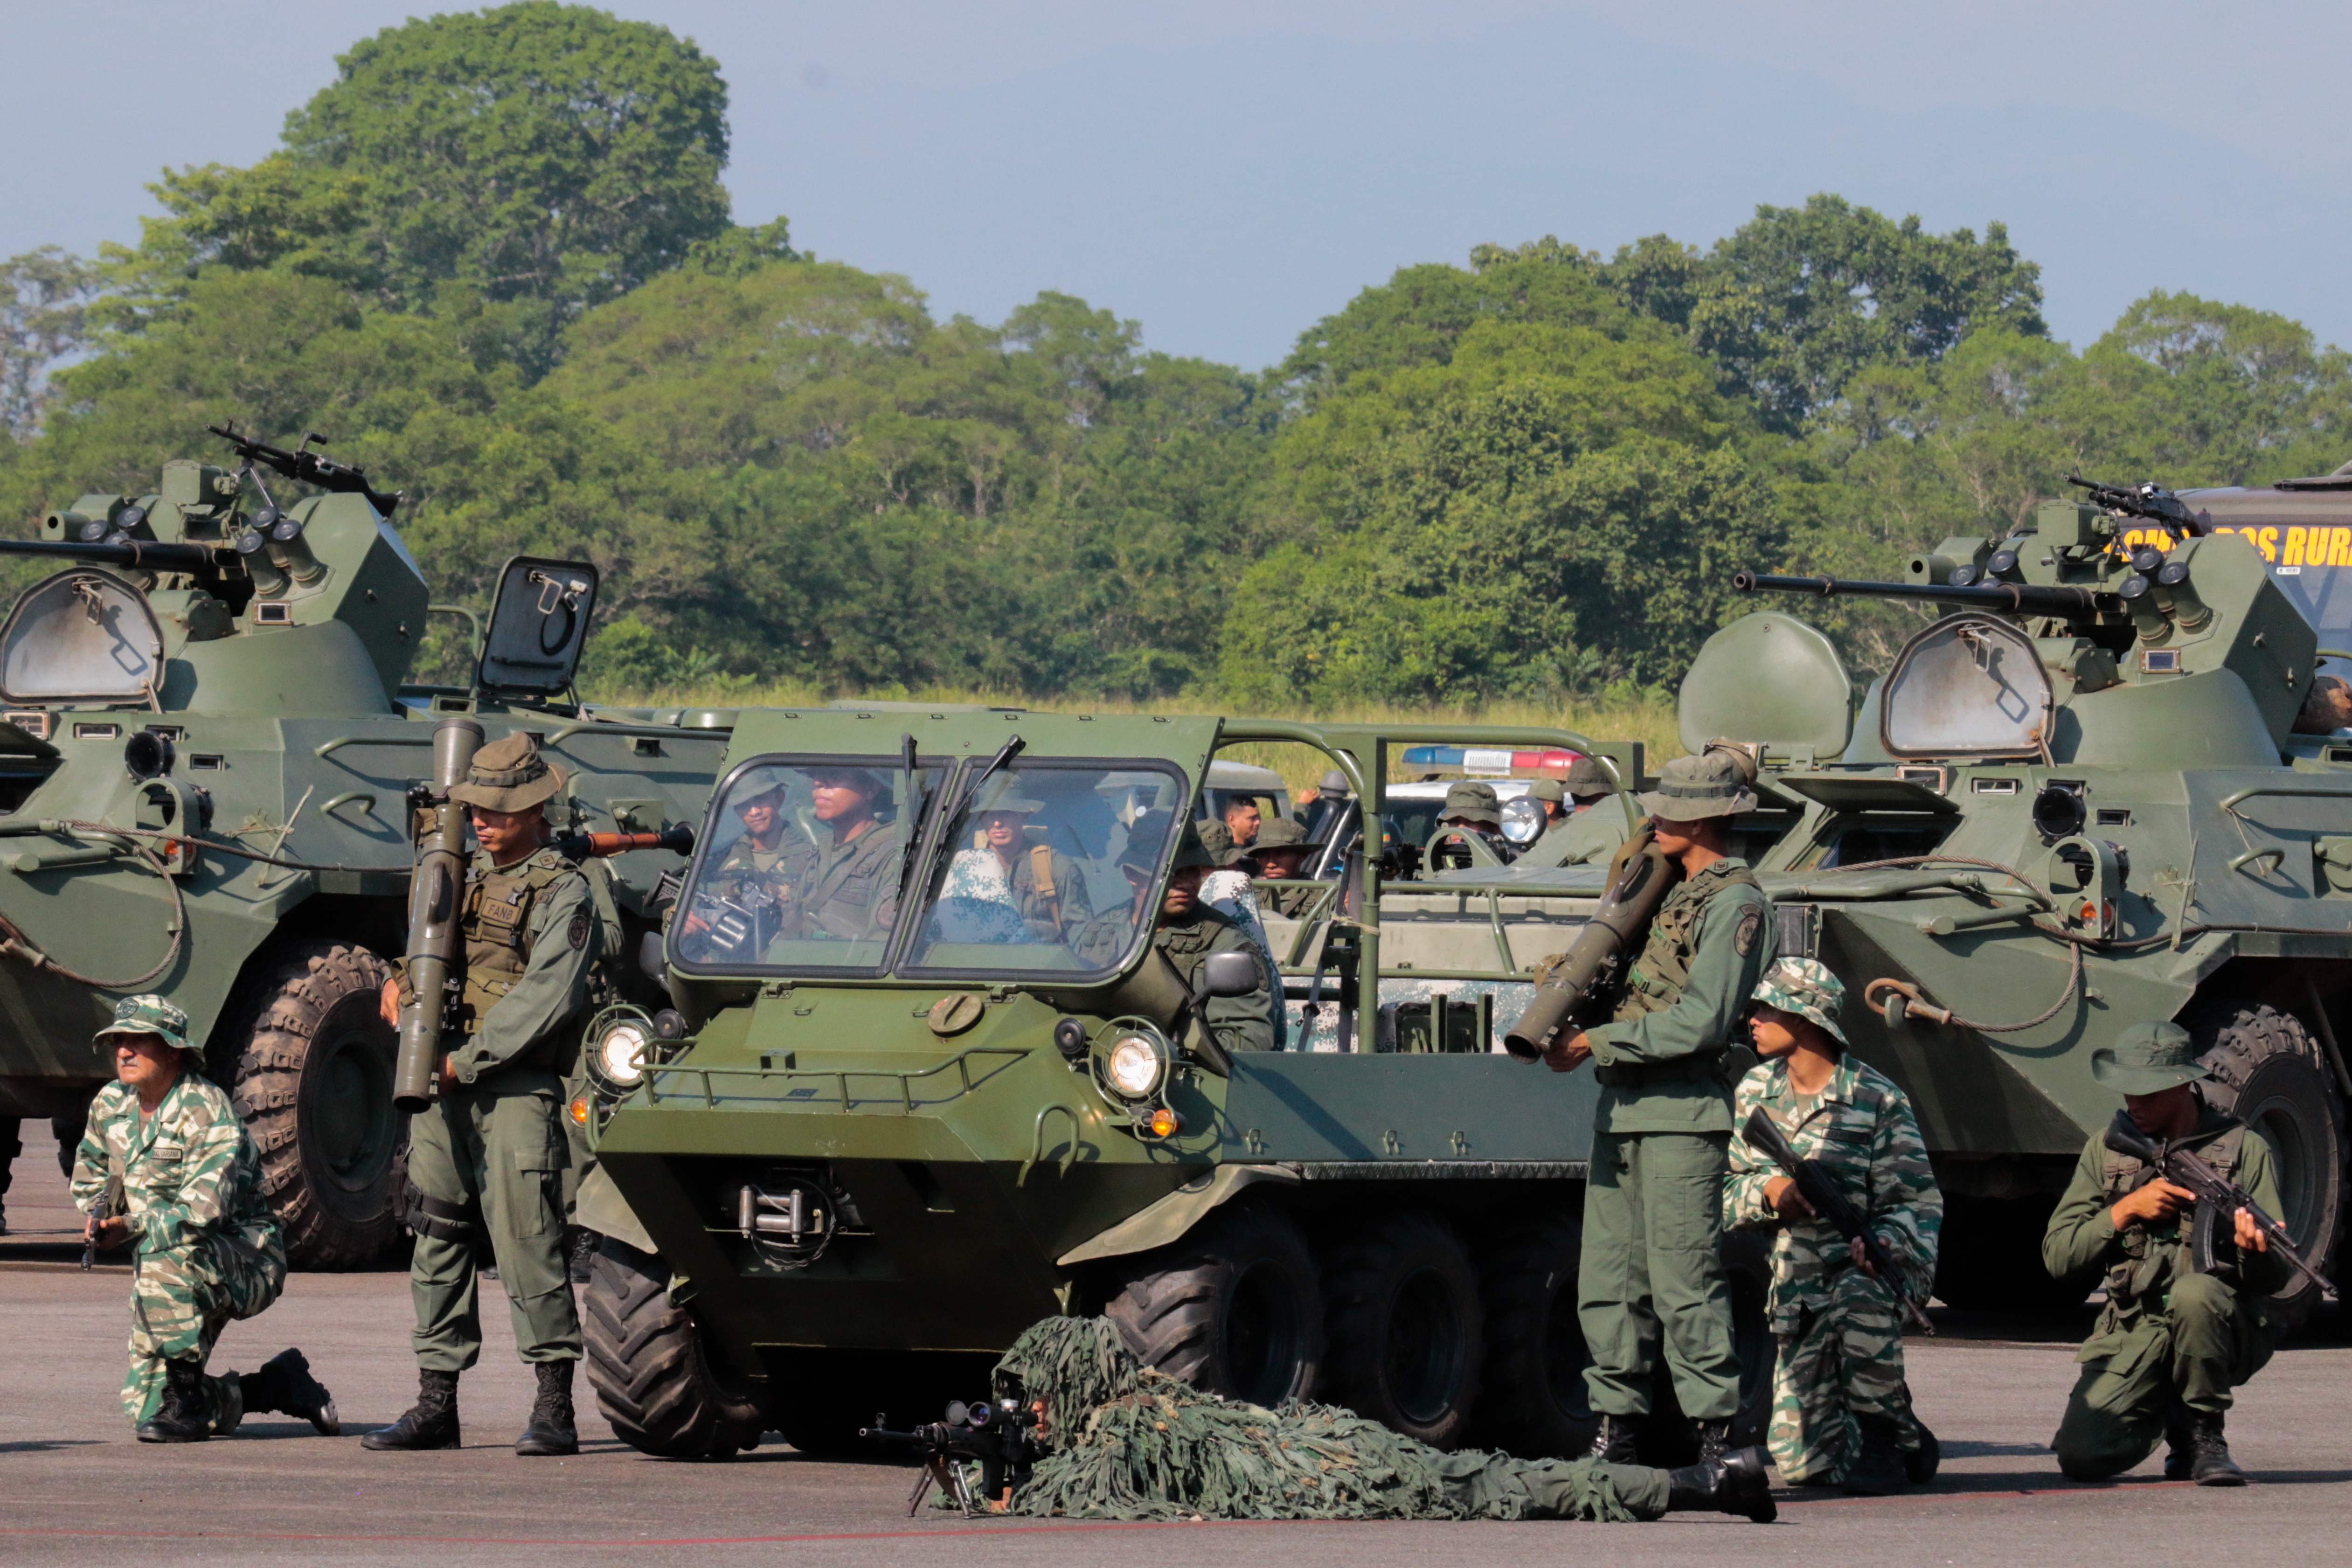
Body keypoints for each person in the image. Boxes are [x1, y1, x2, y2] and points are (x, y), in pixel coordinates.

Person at [366, 733, 598, 1458]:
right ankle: (437, 1403)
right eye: (478, 810)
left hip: (512, 1086)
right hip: (440, 1082)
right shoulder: (455, 870)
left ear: (534, 810)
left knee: (529, 1242)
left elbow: (546, 997)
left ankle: (554, 1405)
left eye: (499, 811)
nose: (485, 821)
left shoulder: (566, 888)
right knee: (436, 1235)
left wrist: (466, 1062)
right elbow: (431, 945)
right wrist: (400, 979)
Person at [1541, 750, 1774, 1465]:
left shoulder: (1736, 902)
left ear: (1703, 817)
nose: (1652, 817)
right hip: (1623, 1110)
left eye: (1668, 807)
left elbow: (1703, 1021)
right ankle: (1617, 1432)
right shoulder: (1662, 890)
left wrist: (1596, 1041)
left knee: (1683, 1282)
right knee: (1607, 1281)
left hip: (1681, 1111)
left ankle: (1715, 1440)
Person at [992, 1315, 1776, 1524]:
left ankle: (1699, 1485)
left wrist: (987, 1476)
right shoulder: (1160, 1404)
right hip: (1342, 1452)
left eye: (1033, 1394)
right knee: (1511, 1481)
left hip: (1352, 1476)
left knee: (1517, 1487)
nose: (1027, 1409)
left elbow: (1074, 1489)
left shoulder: (1128, 1432)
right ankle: (1705, 1483)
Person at [70, 994, 338, 1443]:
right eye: (119, 1040)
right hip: (169, 1265)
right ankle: (275, 1387)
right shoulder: (111, 1104)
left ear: (174, 1049)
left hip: (244, 1258)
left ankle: (188, 1408)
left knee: (165, 1255)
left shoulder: (206, 1110)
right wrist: (102, 1214)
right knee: (145, 1410)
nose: (123, 1051)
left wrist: (133, 1227)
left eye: (139, 1041)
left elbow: (202, 1213)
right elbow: (90, 1177)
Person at [1725, 958, 1941, 1493]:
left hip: (1867, 1272)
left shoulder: (1878, 1098)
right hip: (1798, 1293)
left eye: (1766, 1008)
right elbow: (1727, 1191)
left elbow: (1917, 1199)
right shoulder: (1755, 1090)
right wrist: (1772, 1193)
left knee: (1858, 1295)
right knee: (1803, 1467)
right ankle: (1908, 1429)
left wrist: (1887, 1240)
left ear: (1802, 1018)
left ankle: (1883, 1440)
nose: (1752, 1018)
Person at [2042, 1021, 2289, 1486]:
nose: (2133, 1104)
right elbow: (2058, 1255)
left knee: (2197, 1294)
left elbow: (2273, 1276)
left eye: (2148, 1093)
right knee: (2082, 1456)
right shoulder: (2107, 1150)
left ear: (2182, 1084)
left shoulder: (2244, 1150)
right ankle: (2170, 1411)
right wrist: (2124, 1211)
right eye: (2127, 1090)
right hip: (2135, 1329)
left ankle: (2203, 1434)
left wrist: (2253, 1249)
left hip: (2220, 1324)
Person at [1152, 826, 1276, 1055]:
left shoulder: (1226, 943)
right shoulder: (1105, 934)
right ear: (1134, 875)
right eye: (1173, 872)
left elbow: (1250, 1040)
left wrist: (1177, 1048)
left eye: (1193, 871)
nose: (1187, 883)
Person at [789, 766, 907, 943]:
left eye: (834, 773)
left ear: (871, 788)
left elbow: (879, 950)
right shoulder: (822, 850)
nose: (818, 782)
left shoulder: (892, 855)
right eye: (815, 776)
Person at [972, 788, 1094, 943]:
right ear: (982, 820)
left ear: (1024, 816)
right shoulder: (968, 870)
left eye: (1007, 813)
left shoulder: (1057, 868)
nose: (997, 823)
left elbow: (1081, 937)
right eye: (990, 815)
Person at [1244, 817, 1321, 918]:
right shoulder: (1248, 896)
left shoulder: (1323, 898)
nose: (1271, 864)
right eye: (1263, 855)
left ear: (1302, 856)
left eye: (1281, 854)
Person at [1430, 780, 1517, 867]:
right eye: (1454, 822)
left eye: (1470, 822)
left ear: (1494, 829)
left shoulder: (1512, 866)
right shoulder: (1432, 863)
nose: (1461, 828)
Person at [1221, 797, 1263, 865]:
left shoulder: (1256, 851)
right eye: (1252, 818)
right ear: (1232, 820)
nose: (1258, 822)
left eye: (1259, 817)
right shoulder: (1224, 854)